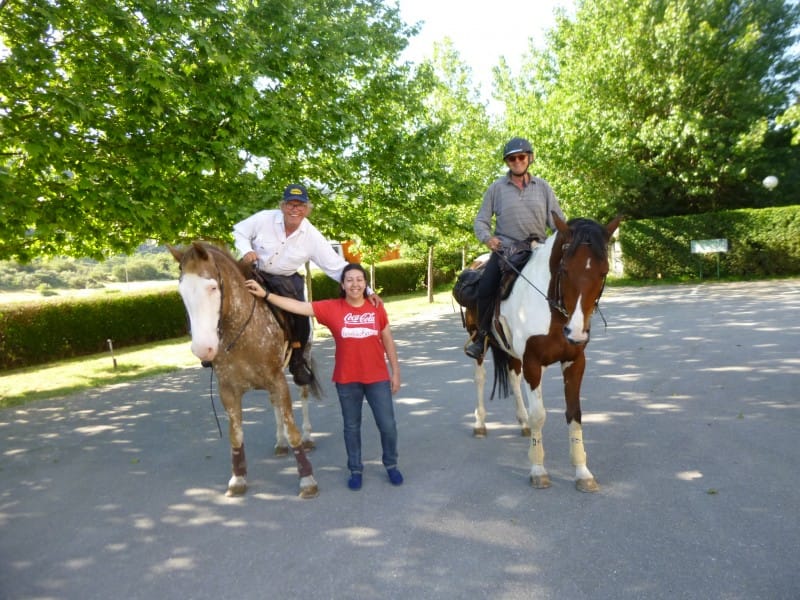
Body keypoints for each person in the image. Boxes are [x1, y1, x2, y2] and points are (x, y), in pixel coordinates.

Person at [245, 263, 403, 491]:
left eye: (359, 280)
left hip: (377, 378)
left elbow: (388, 340)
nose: (355, 284)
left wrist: (395, 372)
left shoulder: (376, 308)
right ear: (342, 284)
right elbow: (298, 306)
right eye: (349, 280)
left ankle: (391, 464)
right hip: (347, 380)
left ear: (366, 284)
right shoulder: (332, 308)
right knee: (351, 427)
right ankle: (355, 469)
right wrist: (267, 295)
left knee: (388, 425)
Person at [233, 183, 381, 385]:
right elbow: (239, 231)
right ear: (282, 206)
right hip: (253, 270)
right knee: (217, 294)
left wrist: (367, 291)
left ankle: (298, 360)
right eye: (290, 204)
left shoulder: (312, 236)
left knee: (302, 319)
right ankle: (213, 347)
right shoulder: (264, 218)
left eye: (300, 205)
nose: (295, 209)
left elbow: (336, 267)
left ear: (307, 209)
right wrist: (244, 250)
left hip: (284, 279)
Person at [465, 137, 566, 360]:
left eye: (521, 157)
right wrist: (487, 239)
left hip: (538, 248)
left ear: (529, 158)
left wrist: (564, 238)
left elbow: (557, 221)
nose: (517, 161)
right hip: (507, 252)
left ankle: (571, 327)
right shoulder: (496, 188)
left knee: (568, 278)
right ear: (507, 162)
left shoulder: (543, 187)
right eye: (512, 158)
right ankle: (481, 338)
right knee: (485, 287)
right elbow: (481, 221)